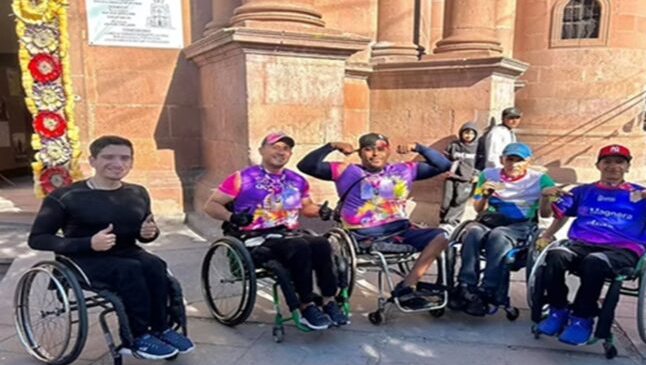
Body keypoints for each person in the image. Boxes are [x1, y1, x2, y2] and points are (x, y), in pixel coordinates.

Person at [28, 135, 195, 359]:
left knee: (155, 265)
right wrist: (88, 242)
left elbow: (144, 232)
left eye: (124, 158)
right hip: (82, 258)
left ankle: (161, 328)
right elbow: (37, 238)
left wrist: (148, 233)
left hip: (126, 251)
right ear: (93, 160)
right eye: (109, 157)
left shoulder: (137, 193)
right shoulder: (65, 196)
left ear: (131, 162)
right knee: (129, 270)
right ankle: (136, 336)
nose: (117, 163)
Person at [534, 144, 646, 345]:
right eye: (607, 162)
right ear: (598, 165)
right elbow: (549, 214)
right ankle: (557, 309)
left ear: (627, 167)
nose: (613, 166)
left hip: (623, 248)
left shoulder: (643, 195)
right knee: (555, 255)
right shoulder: (583, 191)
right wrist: (545, 198)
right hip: (582, 244)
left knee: (595, 262)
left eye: (619, 162)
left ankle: (582, 318)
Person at [203, 131, 349, 330]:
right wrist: (231, 217)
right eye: (275, 147)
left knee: (322, 243)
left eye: (286, 148)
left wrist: (321, 211)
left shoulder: (297, 180)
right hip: (256, 238)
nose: (281, 152)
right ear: (261, 150)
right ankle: (306, 306)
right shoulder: (242, 178)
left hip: (287, 233)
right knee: (299, 246)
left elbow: (306, 207)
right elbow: (211, 205)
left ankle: (329, 301)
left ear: (290, 154)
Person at [297, 133, 451, 310]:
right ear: (360, 153)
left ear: (388, 151)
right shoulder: (346, 171)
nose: (375, 154)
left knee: (442, 236)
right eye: (369, 149)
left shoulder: (404, 170)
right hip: (365, 234)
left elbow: (443, 165)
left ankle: (407, 287)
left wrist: (418, 147)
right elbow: (306, 165)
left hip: (400, 230)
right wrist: (331, 146)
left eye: (380, 149)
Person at [452, 142, 559, 316]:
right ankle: (466, 285)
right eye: (510, 159)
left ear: (528, 161)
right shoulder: (488, 175)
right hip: (491, 219)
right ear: (502, 160)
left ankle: (489, 289)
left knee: (498, 236)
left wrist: (546, 198)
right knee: (472, 232)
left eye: (519, 160)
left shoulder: (540, 179)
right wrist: (485, 195)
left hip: (521, 224)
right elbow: (478, 209)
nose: (513, 164)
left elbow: (546, 214)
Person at [439, 121, 480, 226]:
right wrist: (444, 170)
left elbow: (480, 163)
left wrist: (477, 175)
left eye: (472, 133)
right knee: (446, 201)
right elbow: (444, 158)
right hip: (451, 177)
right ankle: (443, 220)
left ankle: (451, 223)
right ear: (461, 133)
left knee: (459, 201)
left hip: (467, 179)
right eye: (466, 132)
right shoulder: (454, 145)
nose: (468, 136)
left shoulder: (478, 147)